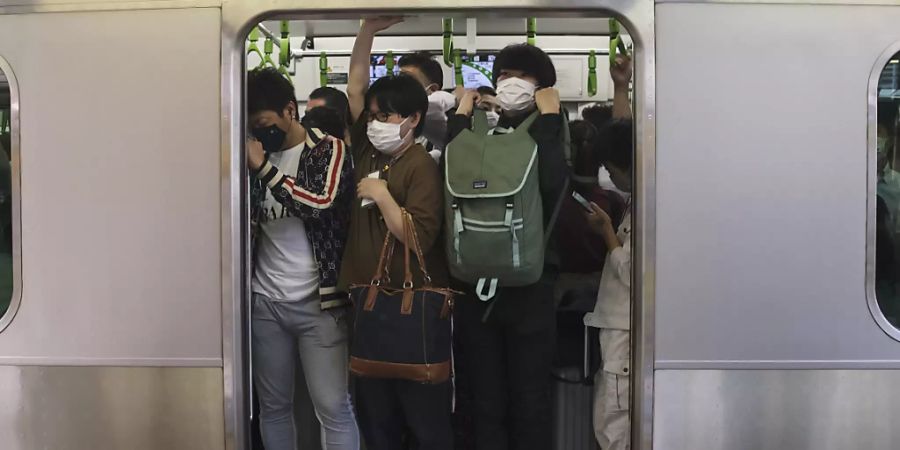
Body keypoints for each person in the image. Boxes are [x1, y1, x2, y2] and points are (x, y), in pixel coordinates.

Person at [446, 42, 569, 450]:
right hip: (477, 287)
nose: (509, 83)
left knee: (526, 399)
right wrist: (462, 113)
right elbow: (453, 175)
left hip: (529, 286)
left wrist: (550, 119)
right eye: (502, 76)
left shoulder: (552, 126)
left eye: (522, 76)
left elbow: (556, 190)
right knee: (483, 399)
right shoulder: (480, 129)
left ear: (543, 87)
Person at [340, 17, 453, 450]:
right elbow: (354, 87)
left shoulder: (421, 164)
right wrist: (367, 30)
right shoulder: (369, 149)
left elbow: (419, 237)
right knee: (377, 424)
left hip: (412, 310)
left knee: (425, 425)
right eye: (372, 115)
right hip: (369, 305)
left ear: (413, 119)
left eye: (384, 116)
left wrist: (385, 198)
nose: (375, 123)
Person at [245, 67, 359, 450]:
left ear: (290, 110)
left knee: (332, 406)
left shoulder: (328, 149)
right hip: (266, 302)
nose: (262, 133)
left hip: (320, 304)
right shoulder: (250, 153)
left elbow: (318, 204)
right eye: (254, 127)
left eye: (265, 123)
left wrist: (264, 170)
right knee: (274, 408)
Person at [583, 120, 633, 450]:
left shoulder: (650, 208)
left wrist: (607, 233)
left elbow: (632, 273)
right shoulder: (640, 199)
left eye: (612, 169)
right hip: (620, 329)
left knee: (612, 426)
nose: (610, 177)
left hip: (624, 333)